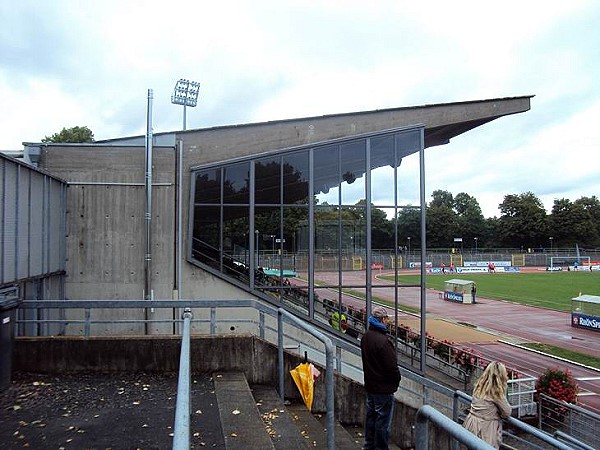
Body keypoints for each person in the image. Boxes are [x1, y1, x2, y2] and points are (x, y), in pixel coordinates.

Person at [360, 306, 401, 450]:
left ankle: (369, 446)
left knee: (371, 419)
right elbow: (392, 368)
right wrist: (396, 380)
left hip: (371, 386)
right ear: (382, 320)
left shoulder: (366, 337)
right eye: (386, 320)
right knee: (382, 424)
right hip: (383, 389)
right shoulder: (383, 341)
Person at [463, 361, 512, 449]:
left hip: (471, 422)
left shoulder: (479, 386)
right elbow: (507, 412)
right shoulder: (495, 391)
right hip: (486, 427)